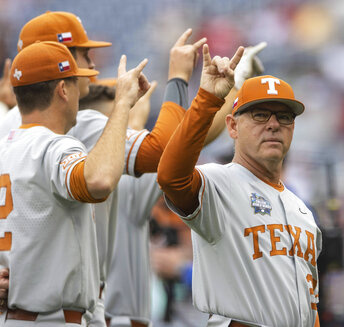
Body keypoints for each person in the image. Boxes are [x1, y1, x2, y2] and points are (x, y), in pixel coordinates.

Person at [157, 41, 322, 327]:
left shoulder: (303, 212)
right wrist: (208, 99)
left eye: (284, 116)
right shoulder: (219, 183)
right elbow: (171, 176)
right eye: (260, 114)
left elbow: (310, 307)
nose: (273, 124)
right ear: (232, 126)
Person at [103, 40, 267, 327]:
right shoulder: (108, 164)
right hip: (115, 313)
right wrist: (183, 78)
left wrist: (185, 268)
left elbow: (184, 148)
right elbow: (177, 149)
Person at [0, 41, 148, 326]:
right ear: (63, 90)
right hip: (50, 318)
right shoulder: (53, 145)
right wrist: (122, 106)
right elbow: (99, 181)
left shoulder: (5, 146)